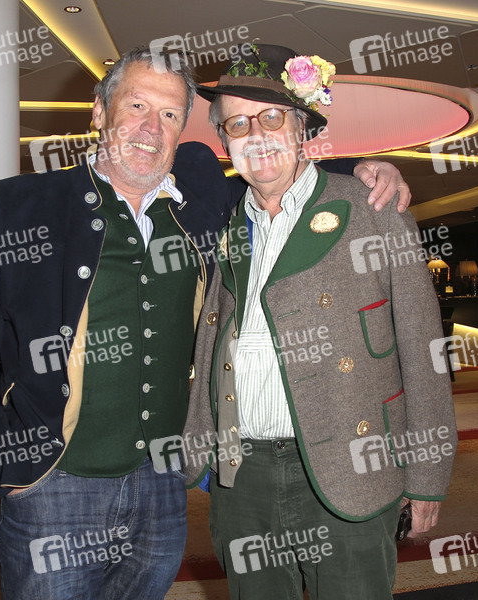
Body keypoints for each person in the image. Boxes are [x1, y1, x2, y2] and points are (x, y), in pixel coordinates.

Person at [0, 45, 412, 600]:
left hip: (161, 487)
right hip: (53, 486)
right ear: (99, 111)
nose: (150, 128)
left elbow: (278, 177)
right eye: (135, 106)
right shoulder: (21, 206)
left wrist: (362, 170)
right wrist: (5, 462)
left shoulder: (201, 192)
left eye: (168, 114)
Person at [181, 45, 457, 599]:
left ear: (302, 126)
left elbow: (423, 351)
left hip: (350, 468)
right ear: (225, 141)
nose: (256, 136)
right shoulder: (222, 224)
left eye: (272, 118)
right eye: (238, 123)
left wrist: (428, 475)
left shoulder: (373, 211)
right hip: (243, 476)